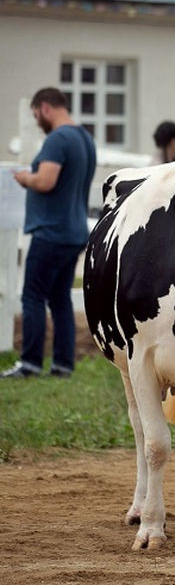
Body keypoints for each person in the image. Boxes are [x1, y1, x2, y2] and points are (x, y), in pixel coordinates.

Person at [3, 88, 96, 379]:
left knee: (32, 296)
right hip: (74, 230)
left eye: (36, 116)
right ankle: (62, 364)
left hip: (50, 232)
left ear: (44, 108)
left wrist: (23, 178)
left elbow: (45, 180)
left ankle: (30, 363)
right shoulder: (84, 138)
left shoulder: (58, 139)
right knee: (60, 298)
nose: (37, 121)